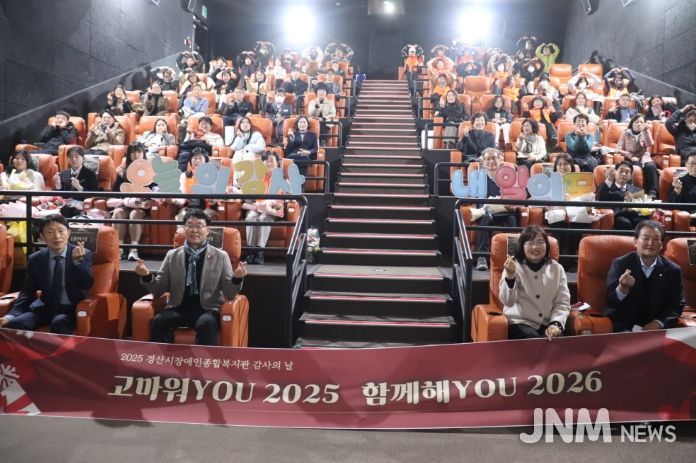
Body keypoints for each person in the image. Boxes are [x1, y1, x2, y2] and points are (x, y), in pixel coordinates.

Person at [134, 209, 247, 345]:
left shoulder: (221, 256)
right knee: (160, 321)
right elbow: (158, 290)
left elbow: (230, 293)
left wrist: (237, 278)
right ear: (184, 229)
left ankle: (205, 359)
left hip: (208, 309)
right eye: (190, 226)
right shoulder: (172, 255)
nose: (194, 230)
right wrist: (146, 275)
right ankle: (157, 359)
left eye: (199, 226)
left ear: (207, 230)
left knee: (206, 323)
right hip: (178, 308)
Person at [0, 215, 93, 334]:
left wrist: (77, 262)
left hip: (71, 310)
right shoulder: (36, 259)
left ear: (68, 233)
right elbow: (27, 291)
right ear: (42, 237)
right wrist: (10, 316)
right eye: (50, 232)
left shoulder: (82, 253)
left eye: (61, 231)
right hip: (45, 308)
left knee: (59, 322)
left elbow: (87, 284)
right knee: (16, 323)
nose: (57, 236)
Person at [604, 221, 684, 332]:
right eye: (646, 238)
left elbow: (676, 305)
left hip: (656, 331)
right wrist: (622, 289)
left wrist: (659, 323)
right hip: (623, 328)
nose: (650, 243)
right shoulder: (620, 264)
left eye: (656, 239)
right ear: (635, 242)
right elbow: (610, 302)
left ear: (661, 245)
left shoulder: (673, 270)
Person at [499, 225, 570, 340]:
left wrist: (556, 324)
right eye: (530, 243)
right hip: (520, 322)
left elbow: (562, 302)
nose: (535, 247)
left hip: (547, 323)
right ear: (522, 246)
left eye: (540, 242)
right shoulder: (513, 265)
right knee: (534, 340)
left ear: (546, 245)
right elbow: (507, 301)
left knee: (556, 341)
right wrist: (510, 276)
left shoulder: (557, 268)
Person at [474, 148, 519, 271]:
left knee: (512, 219)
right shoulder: (479, 179)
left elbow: (516, 196)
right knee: (485, 218)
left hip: (505, 212)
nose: (491, 161)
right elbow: (478, 201)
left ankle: (512, 258)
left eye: (494, 158)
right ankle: (482, 257)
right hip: (487, 212)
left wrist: (511, 205)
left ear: (500, 160)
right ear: (483, 163)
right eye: (487, 159)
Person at [112, 143, 155, 261]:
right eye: (133, 152)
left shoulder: (149, 170)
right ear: (128, 155)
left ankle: (134, 249)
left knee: (135, 214)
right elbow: (116, 192)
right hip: (125, 203)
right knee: (118, 213)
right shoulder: (122, 171)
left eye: (139, 152)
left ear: (143, 154)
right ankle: (120, 248)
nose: (136, 155)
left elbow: (154, 189)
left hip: (141, 205)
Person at [243, 152, 285, 264]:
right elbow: (246, 201)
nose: (269, 163)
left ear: (277, 163)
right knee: (252, 218)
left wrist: (271, 205)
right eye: (266, 161)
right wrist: (257, 207)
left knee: (264, 218)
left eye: (272, 161)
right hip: (255, 208)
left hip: (271, 211)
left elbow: (284, 201)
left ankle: (259, 251)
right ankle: (251, 251)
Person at [597, 161, 646, 230]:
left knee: (645, 222)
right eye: (621, 171)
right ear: (615, 173)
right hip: (617, 216)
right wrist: (609, 179)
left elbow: (643, 208)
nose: (624, 174)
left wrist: (632, 203)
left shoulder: (637, 190)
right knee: (624, 222)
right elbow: (600, 200)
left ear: (630, 176)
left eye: (627, 172)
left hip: (634, 215)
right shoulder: (606, 187)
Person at [616, 114, 657, 197]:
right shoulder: (625, 133)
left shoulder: (646, 132)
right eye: (637, 122)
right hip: (630, 159)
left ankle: (653, 192)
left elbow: (649, 144)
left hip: (644, 157)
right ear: (632, 123)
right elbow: (618, 149)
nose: (639, 124)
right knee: (636, 168)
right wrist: (630, 156)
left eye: (641, 122)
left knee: (651, 166)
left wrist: (645, 131)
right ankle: (637, 193)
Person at [174, 148, 219, 222]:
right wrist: (173, 200)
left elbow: (214, 200)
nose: (197, 161)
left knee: (201, 218)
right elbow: (181, 197)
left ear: (206, 161)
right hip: (189, 208)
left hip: (207, 208)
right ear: (190, 161)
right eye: (194, 158)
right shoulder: (184, 175)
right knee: (181, 217)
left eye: (200, 158)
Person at [669, 150, 696, 217]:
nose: (695, 167)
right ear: (686, 164)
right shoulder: (679, 182)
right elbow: (671, 206)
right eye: (692, 163)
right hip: (690, 217)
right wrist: (677, 191)